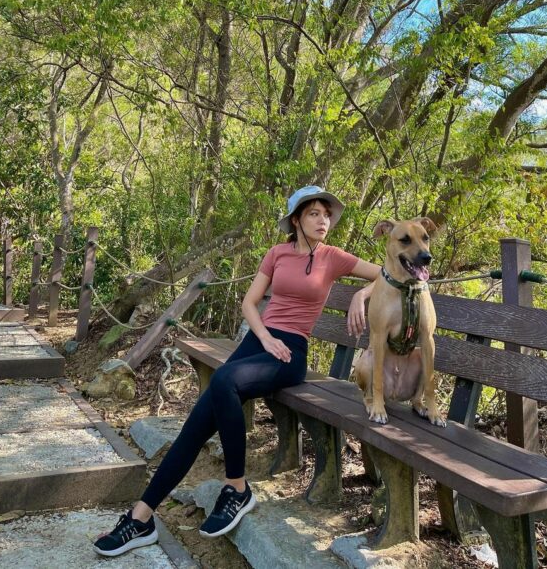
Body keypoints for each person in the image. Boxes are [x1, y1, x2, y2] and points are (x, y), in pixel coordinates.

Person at [93, 185, 380, 558]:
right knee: (194, 427)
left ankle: (238, 488)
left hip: (290, 352)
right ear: (296, 220)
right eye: (314, 213)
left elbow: (388, 274)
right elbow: (250, 302)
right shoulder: (277, 253)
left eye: (327, 214)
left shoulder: (334, 257)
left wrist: (361, 294)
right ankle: (141, 517)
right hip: (259, 343)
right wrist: (265, 337)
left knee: (224, 379)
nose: (323, 220)